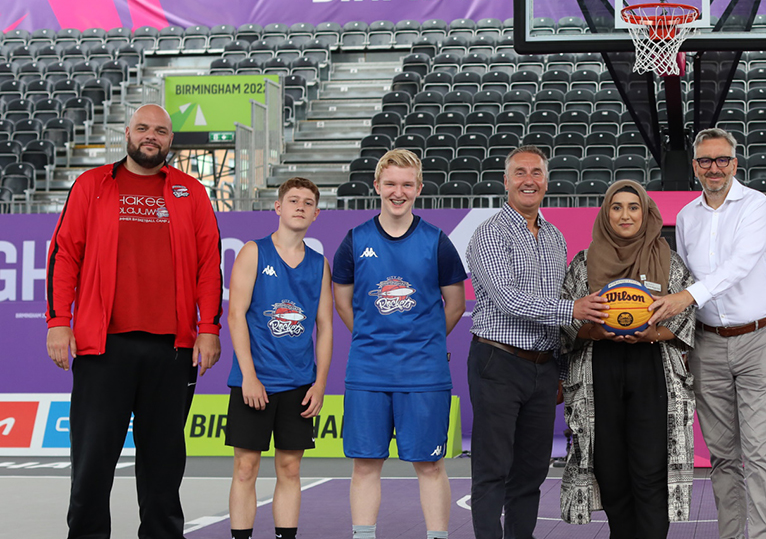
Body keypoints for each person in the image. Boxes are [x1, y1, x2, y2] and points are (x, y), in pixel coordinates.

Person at [45, 103, 223, 538]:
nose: (151, 136)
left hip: (172, 349)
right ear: (127, 133)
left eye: (160, 131)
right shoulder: (91, 185)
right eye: (143, 128)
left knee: (163, 466)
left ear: (170, 141)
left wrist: (209, 329)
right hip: (103, 348)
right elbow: (64, 253)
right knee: (91, 462)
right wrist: (57, 321)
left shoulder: (191, 192)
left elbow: (208, 264)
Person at [466, 145, 609, 539]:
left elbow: (555, 310)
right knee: (493, 469)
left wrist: (560, 370)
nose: (529, 180)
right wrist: (575, 309)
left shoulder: (555, 237)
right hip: (498, 361)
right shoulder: (490, 233)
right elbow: (509, 300)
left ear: (546, 181)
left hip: (543, 368)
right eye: (520, 173)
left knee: (531, 471)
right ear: (506, 182)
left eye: (537, 173)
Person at [650, 127, 766, 539]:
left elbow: (739, 266)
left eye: (722, 159)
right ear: (694, 167)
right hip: (707, 344)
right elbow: (688, 273)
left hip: (758, 340)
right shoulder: (687, 217)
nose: (714, 168)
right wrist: (686, 327)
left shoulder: (756, 205)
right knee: (724, 457)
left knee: (760, 455)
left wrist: (683, 297)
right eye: (705, 161)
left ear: (735, 163)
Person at [331, 149, 467, 539]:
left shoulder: (437, 241)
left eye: (407, 184)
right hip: (368, 372)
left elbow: (455, 304)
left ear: (419, 189)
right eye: (390, 183)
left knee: (429, 465)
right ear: (376, 186)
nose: (398, 191)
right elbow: (342, 300)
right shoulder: (354, 240)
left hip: (424, 374)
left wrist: (422, 340)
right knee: (365, 464)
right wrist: (372, 336)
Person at [559, 180, 696, 538]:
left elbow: (686, 318)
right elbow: (567, 319)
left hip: (651, 367)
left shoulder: (668, 258)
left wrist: (652, 333)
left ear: (646, 212)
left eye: (633, 207)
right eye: (616, 207)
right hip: (599, 366)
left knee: (650, 469)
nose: (625, 215)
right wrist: (594, 331)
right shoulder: (585, 262)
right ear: (606, 214)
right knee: (610, 468)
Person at [225, 177, 334, 539]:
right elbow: (236, 315)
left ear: (316, 214)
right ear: (278, 207)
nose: (300, 206)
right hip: (254, 381)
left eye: (307, 202)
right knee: (245, 468)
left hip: (299, 384)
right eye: (293, 200)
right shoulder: (254, 252)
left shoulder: (319, 264)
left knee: (290, 469)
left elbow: (325, 327)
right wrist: (249, 377)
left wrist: (319, 384)